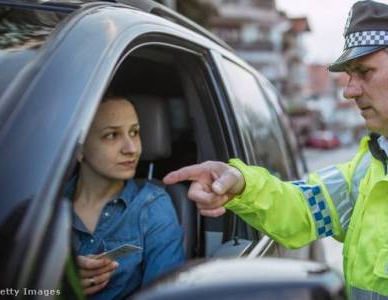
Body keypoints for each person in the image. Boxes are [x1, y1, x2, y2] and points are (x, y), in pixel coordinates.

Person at [163, 1, 388, 299]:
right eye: (349, 74)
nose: (349, 90)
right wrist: (240, 183)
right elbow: (305, 208)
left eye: (364, 71)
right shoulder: (367, 166)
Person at [68, 97, 185, 299]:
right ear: (79, 149)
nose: (131, 148)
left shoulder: (152, 207)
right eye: (112, 135)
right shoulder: (42, 206)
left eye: (134, 132)